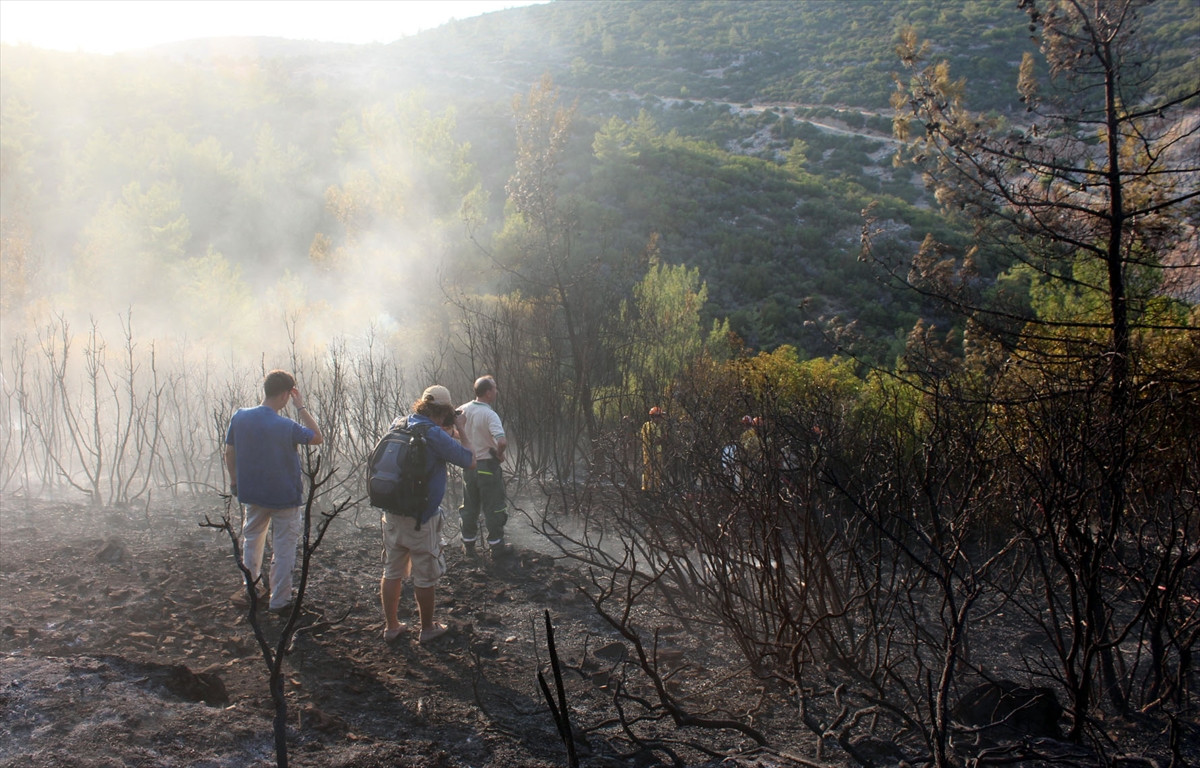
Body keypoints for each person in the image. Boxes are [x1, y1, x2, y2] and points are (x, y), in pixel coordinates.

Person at [225, 369, 324, 614]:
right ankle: (279, 601)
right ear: (285, 395)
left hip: (252, 493)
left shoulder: (240, 417)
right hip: (285, 497)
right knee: (283, 549)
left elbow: (229, 451)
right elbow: (317, 437)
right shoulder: (286, 426)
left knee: (252, 541)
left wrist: (235, 482)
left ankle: (252, 589)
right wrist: (301, 408)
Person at [381, 385, 474, 644]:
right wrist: (463, 429)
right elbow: (470, 460)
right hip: (421, 519)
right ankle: (427, 629)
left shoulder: (399, 423)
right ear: (445, 411)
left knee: (392, 571)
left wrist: (447, 431)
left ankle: (391, 627)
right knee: (424, 575)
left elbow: (430, 436)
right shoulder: (433, 434)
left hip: (392, 513)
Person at [458, 375, 509, 557]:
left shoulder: (462, 410)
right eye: (494, 388)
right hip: (487, 466)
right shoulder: (489, 414)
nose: (496, 391)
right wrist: (499, 454)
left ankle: (469, 546)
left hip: (469, 466)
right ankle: (496, 547)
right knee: (494, 507)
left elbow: (451, 432)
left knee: (469, 507)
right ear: (488, 392)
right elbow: (502, 441)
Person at [641, 406, 667, 492]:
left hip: (657, 451)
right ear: (655, 417)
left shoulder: (657, 426)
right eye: (660, 416)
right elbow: (653, 440)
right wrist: (662, 438)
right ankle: (647, 489)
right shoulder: (649, 426)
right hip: (650, 452)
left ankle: (655, 489)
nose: (661, 419)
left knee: (656, 471)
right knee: (649, 471)